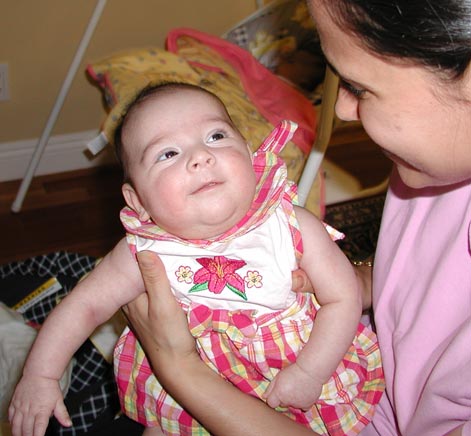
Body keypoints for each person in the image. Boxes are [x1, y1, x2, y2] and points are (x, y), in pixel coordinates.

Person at [121, 1, 471, 435]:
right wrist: (362, 281)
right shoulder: (434, 161)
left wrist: (181, 369)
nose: (341, 109)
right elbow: (436, 271)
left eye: (359, 87)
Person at [8, 83, 383, 436]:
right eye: (168, 154)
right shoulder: (143, 251)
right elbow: (83, 306)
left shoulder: (292, 224)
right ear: (138, 200)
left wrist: (310, 372)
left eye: (216, 136)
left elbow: (343, 297)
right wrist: (41, 375)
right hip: (184, 401)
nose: (201, 156)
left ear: (249, 155)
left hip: (297, 373)